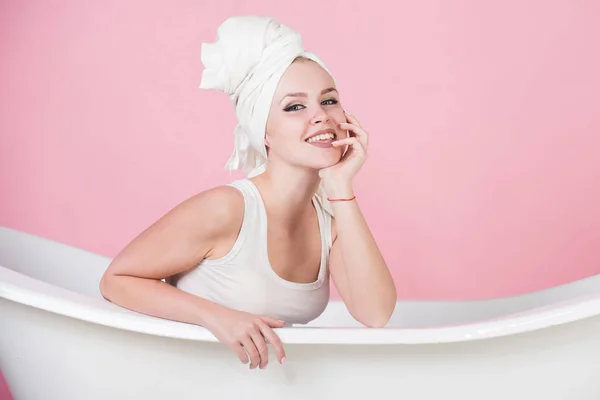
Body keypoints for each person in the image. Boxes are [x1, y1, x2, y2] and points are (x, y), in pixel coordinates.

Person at [99, 15, 396, 370]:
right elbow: (116, 280)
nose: (321, 117)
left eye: (329, 100)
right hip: (174, 379)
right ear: (264, 133)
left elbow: (375, 314)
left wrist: (341, 187)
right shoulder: (227, 209)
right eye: (295, 107)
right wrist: (217, 317)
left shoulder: (331, 221)